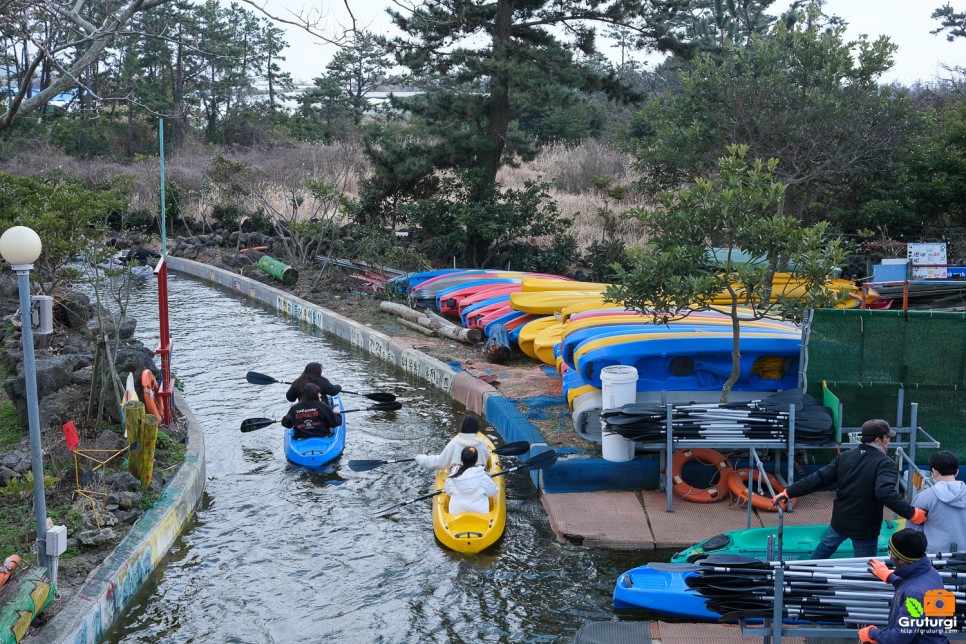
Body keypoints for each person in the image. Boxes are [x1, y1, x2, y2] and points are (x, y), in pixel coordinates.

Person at [773, 419, 927, 559]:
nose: (889, 441)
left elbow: (818, 479)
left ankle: (807, 572)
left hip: (841, 519)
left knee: (826, 547)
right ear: (878, 439)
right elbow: (885, 492)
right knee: (864, 563)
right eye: (887, 438)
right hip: (865, 526)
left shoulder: (845, 457)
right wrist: (911, 513)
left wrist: (788, 492)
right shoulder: (884, 463)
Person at [858, 529, 949, 643]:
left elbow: (899, 638)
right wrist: (890, 576)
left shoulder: (916, 595)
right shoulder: (930, 572)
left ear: (901, 560)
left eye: (891, 553)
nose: (890, 556)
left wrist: (872, 633)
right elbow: (912, 585)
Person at [911, 451, 966, 552]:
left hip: (934, 557)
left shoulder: (924, 497)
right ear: (957, 472)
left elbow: (913, 531)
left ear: (934, 472)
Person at [414, 413, 491, 470]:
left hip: (459, 476)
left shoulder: (455, 444)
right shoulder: (483, 444)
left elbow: (439, 463)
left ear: (462, 427)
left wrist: (419, 458)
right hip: (479, 477)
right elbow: (487, 458)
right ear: (477, 428)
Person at [443, 446, 498, 515]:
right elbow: (493, 492)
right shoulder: (483, 476)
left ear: (461, 459)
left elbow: (448, 492)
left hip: (456, 514)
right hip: (481, 515)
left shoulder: (452, 476)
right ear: (476, 459)